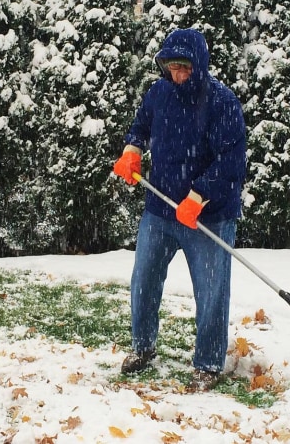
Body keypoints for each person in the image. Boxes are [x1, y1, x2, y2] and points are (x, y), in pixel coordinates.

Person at [111, 27, 247, 392]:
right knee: (143, 279)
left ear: (199, 64)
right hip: (160, 208)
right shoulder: (159, 93)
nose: (178, 74)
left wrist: (199, 196)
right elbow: (140, 126)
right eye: (172, 67)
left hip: (209, 216)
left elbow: (231, 162)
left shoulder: (221, 102)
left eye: (185, 67)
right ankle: (142, 347)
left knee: (211, 290)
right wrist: (132, 152)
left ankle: (207, 363)